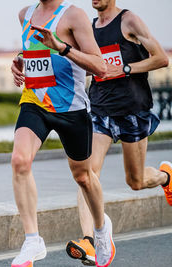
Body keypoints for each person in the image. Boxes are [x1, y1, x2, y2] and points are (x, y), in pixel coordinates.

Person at [65, 0, 171, 265]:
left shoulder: (129, 21)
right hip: (100, 109)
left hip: (132, 109)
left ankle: (166, 177)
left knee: (135, 181)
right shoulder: (88, 29)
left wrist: (124, 69)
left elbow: (161, 58)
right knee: (86, 174)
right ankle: (90, 240)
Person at [10, 1, 115, 266]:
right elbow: (36, 52)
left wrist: (62, 47)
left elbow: (99, 66)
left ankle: (101, 231)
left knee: (83, 176)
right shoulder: (25, 14)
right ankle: (33, 240)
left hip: (71, 107)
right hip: (35, 102)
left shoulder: (74, 16)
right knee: (20, 161)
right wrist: (21, 61)